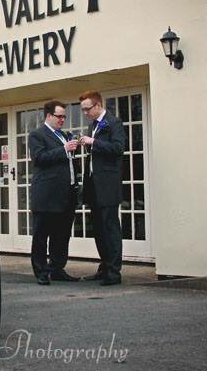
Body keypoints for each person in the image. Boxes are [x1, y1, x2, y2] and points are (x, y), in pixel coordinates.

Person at [28, 100, 81, 285]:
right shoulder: (37, 135)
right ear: (49, 116)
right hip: (46, 195)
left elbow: (67, 162)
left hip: (66, 194)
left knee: (62, 235)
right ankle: (41, 272)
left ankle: (57, 268)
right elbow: (40, 158)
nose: (63, 120)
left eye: (64, 116)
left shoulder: (64, 135)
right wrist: (63, 149)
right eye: (59, 116)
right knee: (42, 236)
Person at [78, 90, 127, 286]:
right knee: (98, 229)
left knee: (110, 228)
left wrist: (94, 142)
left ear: (98, 105)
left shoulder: (114, 123)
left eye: (87, 109)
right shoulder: (93, 126)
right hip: (94, 185)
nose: (85, 113)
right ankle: (104, 267)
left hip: (108, 186)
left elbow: (118, 148)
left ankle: (114, 273)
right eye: (83, 110)